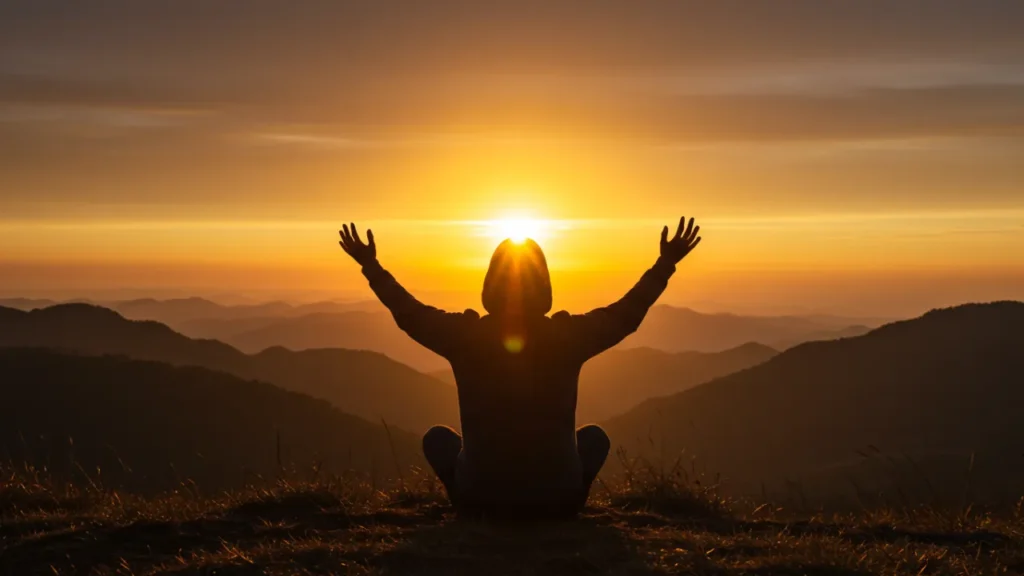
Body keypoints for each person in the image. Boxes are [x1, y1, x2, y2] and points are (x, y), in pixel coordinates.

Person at [338, 217, 701, 519]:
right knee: (594, 438)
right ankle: (572, 495)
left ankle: (464, 497)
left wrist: (370, 265)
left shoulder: (464, 336)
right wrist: (665, 264)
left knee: (439, 439)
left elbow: (410, 314)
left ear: (489, 284)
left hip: (481, 498)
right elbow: (626, 315)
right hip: (557, 500)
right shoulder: (568, 336)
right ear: (544, 284)